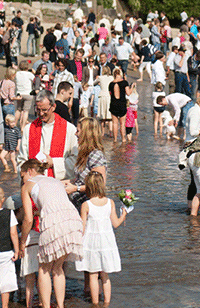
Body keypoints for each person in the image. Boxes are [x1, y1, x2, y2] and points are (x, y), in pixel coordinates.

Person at [19, 159, 83, 308]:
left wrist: (22, 242)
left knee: (44, 268)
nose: (22, 180)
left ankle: (46, 306)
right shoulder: (55, 181)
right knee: (58, 267)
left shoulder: (27, 185)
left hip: (54, 221)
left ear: (30, 171)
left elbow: (28, 219)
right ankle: (60, 306)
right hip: (73, 218)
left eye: (22, 176)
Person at [75, 171, 126, 307]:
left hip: (91, 244)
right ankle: (107, 303)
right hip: (106, 243)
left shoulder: (86, 204)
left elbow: (82, 228)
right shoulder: (110, 202)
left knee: (92, 275)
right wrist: (123, 216)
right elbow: (115, 223)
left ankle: (95, 303)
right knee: (105, 276)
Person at [18, 90, 78, 178]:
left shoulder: (69, 129)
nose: (41, 113)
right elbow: (22, 159)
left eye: (44, 110)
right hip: (34, 184)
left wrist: (54, 162)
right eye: (38, 110)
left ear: (53, 107)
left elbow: (75, 159)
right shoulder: (29, 129)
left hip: (58, 184)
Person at [62, 117, 107, 211]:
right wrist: (69, 182)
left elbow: (99, 186)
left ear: (86, 134)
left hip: (89, 208)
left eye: (78, 131)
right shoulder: (84, 153)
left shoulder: (95, 155)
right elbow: (82, 179)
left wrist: (75, 188)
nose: (75, 134)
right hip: (79, 204)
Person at [108, 68, 132, 142]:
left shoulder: (111, 84)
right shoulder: (124, 82)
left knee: (115, 123)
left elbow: (110, 94)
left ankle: (115, 139)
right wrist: (132, 87)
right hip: (122, 103)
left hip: (113, 104)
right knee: (122, 124)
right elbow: (128, 93)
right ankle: (123, 139)